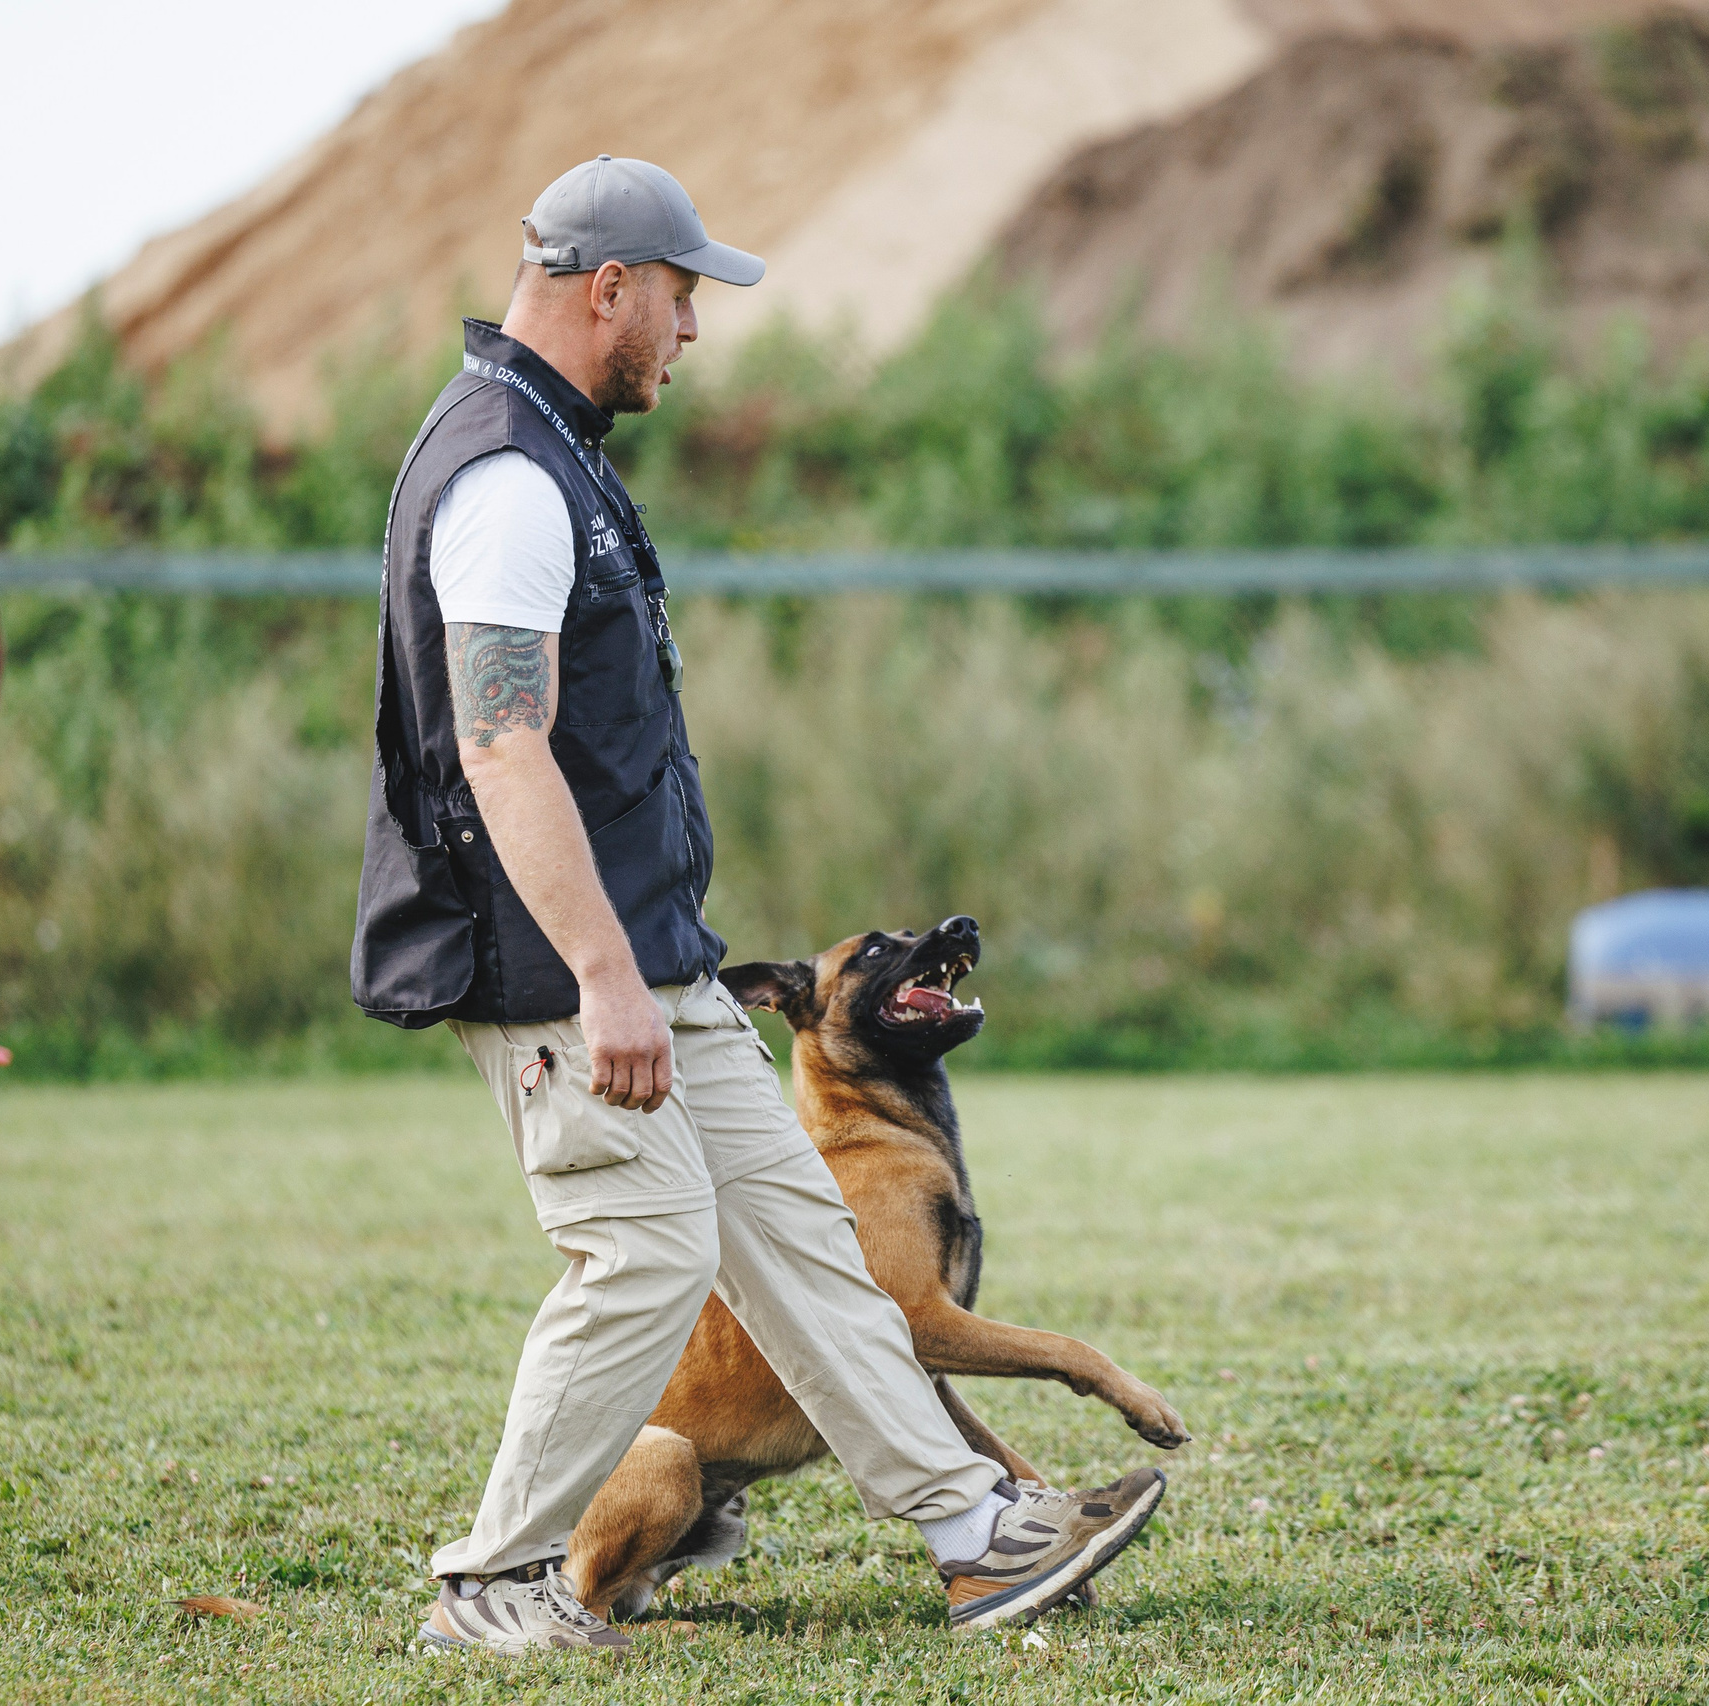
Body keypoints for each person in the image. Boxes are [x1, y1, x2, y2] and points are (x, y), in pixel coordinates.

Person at [352, 155, 1165, 1656]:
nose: (691, 331)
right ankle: (494, 1582)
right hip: (564, 969)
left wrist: (650, 961)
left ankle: (975, 1532)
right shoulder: (506, 476)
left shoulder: (558, 452)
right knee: (646, 1250)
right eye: (679, 298)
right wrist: (602, 975)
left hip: (662, 957)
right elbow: (500, 741)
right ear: (609, 288)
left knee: (802, 1232)